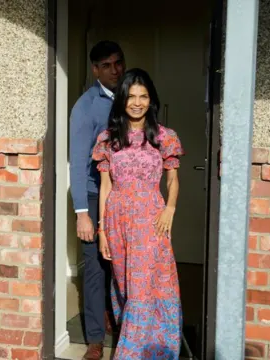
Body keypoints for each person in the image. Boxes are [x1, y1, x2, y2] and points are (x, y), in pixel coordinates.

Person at [93, 68, 185, 359]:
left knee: (146, 287)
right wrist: (102, 231)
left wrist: (170, 208)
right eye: (131, 96)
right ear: (122, 99)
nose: (137, 102)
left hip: (151, 219)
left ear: (151, 100)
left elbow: (172, 178)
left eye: (143, 96)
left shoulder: (164, 137)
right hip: (116, 220)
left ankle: (132, 355)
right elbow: (105, 187)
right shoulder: (108, 139)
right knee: (126, 288)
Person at [69, 40, 125, 360]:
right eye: (106, 65)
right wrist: (82, 213)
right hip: (93, 194)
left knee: (121, 264)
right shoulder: (85, 106)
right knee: (95, 268)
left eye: (118, 63)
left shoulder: (130, 97)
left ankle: (123, 329)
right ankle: (94, 339)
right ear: (95, 70)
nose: (115, 70)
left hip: (126, 195)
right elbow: (78, 162)